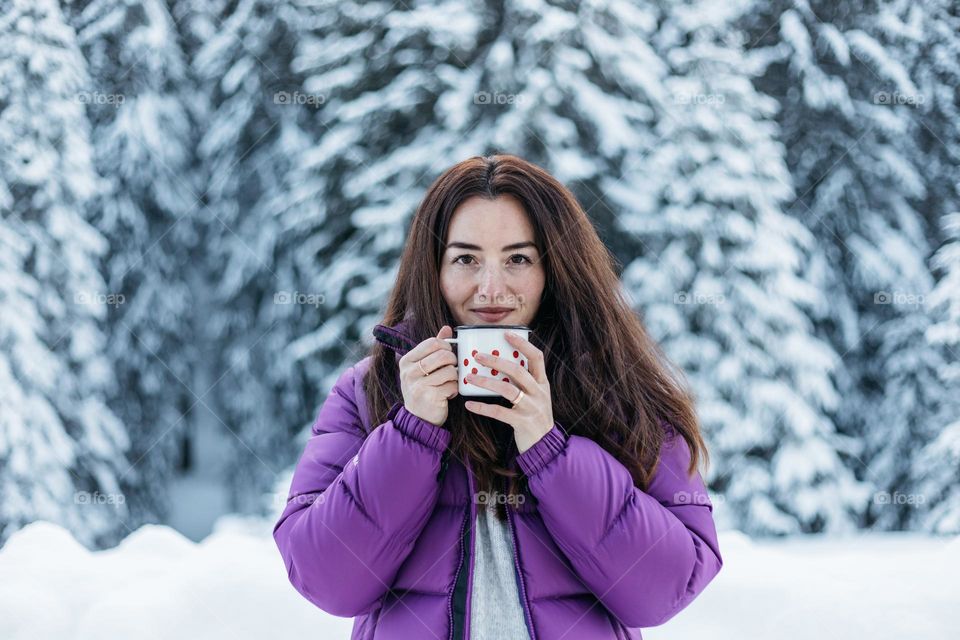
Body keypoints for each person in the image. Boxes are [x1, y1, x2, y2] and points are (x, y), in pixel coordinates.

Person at [273, 154, 723, 639]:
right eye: (466, 258)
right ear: (433, 270)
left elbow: (667, 588)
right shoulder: (370, 390)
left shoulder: (614, 388)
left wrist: (550, 449)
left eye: (518, 259)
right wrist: (410, 434)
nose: (491, 289)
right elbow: (324, 578)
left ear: (556, 268)